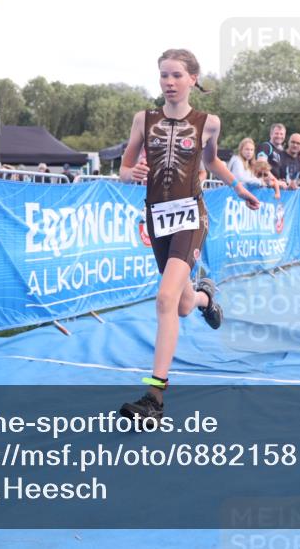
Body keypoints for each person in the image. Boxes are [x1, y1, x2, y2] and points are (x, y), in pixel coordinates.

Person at [117, 49, 260, 423]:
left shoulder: (208, 123)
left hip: (190, 217)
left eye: (177, 75)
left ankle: (154, 397)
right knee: (181, 305)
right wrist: (130, 174)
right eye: (163, 75)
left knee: (165, 298)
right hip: (157, 218)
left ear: (193, 79)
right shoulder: (143, 120)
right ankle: (205, 297)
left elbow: (211, 161)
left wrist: (238, 188)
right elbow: (125, 167)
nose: (169, 82)